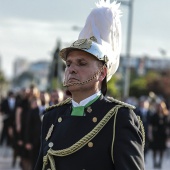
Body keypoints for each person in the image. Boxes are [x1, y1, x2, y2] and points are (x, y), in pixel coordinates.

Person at [35, 0, 145, 169]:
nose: (71, 69)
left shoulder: (119, 117)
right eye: (69, 63)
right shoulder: (52, 116)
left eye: (82, 63)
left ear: (102, 73)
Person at [148, 101, 169, 169]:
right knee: (155, 149)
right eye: (159, 106)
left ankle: (160, 162)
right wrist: (150, 134)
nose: (160, 108)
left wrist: (168, 136)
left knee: (161, 149)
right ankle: (154, 162)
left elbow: (168, 126)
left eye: (161, 106)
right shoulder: (154, 115)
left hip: (163, 135)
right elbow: (150, 125)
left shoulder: (166, 116)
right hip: (156, 134)